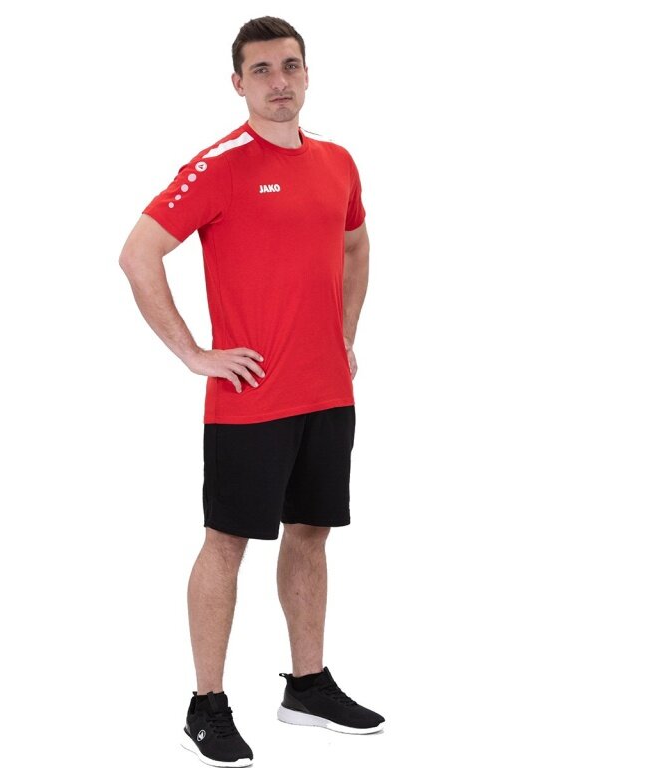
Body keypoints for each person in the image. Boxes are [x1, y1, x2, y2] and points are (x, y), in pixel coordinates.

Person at [118, 16, 383, 767]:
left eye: (290, 66)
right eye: (261, 70)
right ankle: (205, 704)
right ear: (238, 83)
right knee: (227, 542)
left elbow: (356, 244)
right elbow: (138, 254)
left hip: (327, 391)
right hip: (251, 397)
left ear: (307, 74)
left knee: (311, 533)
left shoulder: (337, 161)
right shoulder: (221, 165)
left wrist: (344, 334)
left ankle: (308, 685)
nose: (278, 82)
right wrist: (193, 353)